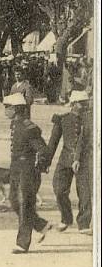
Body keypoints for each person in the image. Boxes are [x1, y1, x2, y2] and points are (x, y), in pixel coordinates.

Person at [4, 92, 53, 254]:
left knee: (25, 204)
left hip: (27, 170)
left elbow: (43, 150)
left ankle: (22, 243)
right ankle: (41, 225)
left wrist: (38, 168)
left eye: (7, 107)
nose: (5, 111)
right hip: (16, 169)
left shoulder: (28, 127)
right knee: (14, 201)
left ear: (16, 109)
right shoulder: (15, 124)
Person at [48, 90, 92, 235]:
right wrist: (46, 161)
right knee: (59, 189)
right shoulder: (63, 119)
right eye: (81, 103)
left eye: (86, 103)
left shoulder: (91, 119)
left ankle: (84, 223)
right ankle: (66, 218)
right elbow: (53, 142)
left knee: (85, 193)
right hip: (65, 159)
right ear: (73, 104)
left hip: (85, 161)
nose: (85, 106)